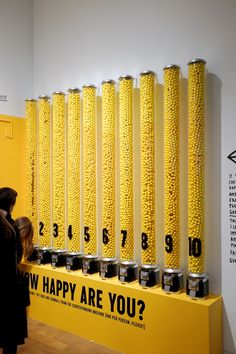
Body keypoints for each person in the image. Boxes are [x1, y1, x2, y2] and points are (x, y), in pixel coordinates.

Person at [0, 187, 27, 354]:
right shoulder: (9, 226)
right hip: (8, 286)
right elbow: (16, 255)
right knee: (10, 334)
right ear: (11, 204)